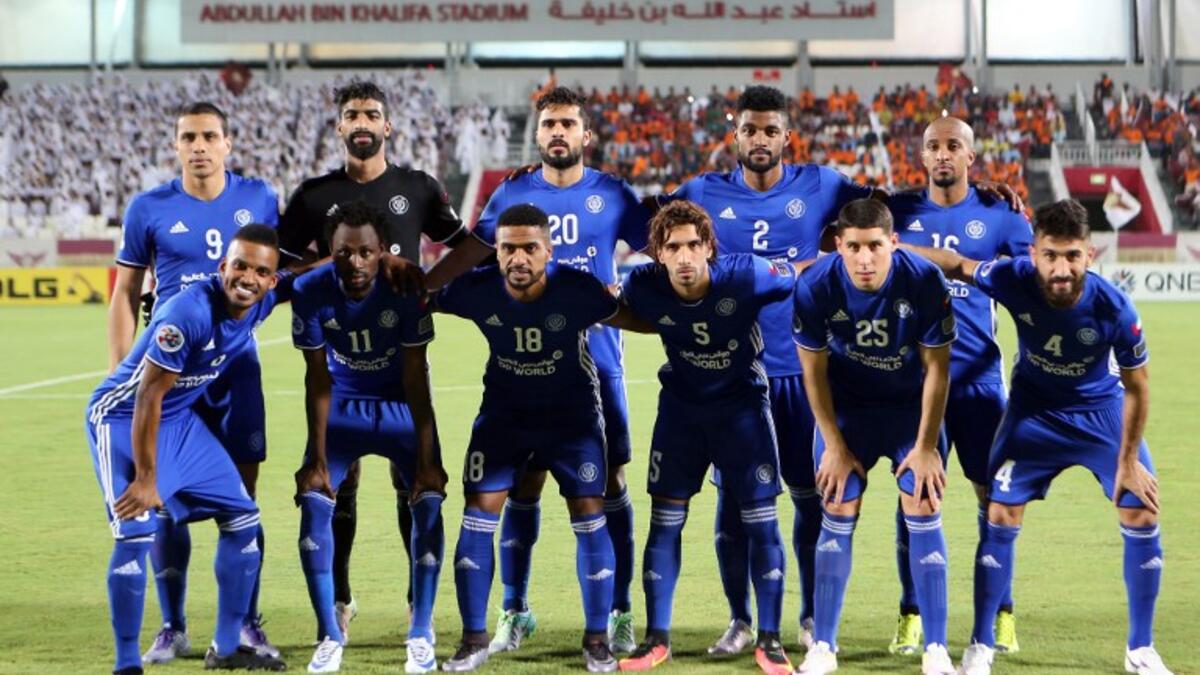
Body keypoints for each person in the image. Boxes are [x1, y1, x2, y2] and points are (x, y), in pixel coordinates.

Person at [904, 199, 1174, 675]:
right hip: (1034, 414)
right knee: (1001, 511)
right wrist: (894, 248)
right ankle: (980, 646)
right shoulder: (1012, 279)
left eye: (1072, 256)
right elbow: (959, 265)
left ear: (1090, 255)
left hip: (1101, 413)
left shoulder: (1115, 308)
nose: (1061, 268)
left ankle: (1141, 649)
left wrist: (1129, 460)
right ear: (1034, 254)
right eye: (1051, 255)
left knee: (1141, 507)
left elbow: (1138, 386)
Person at [427, 86, 651, 655]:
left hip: (599, 366)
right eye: (549, 123)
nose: (557, 132)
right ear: (538, 132)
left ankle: (620, 609)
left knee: (610, 486)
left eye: (567, 123)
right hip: (524, 368)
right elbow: (476, 252)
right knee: (521, 484)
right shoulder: (512, 192)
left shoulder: (613, 194)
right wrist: (420, 284)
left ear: (585, 134)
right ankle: (514, 610)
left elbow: (665, 249)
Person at [662, 85, 872, 654]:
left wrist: (985, 198)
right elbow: (643, 224)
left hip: (805, 374)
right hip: (735, 378)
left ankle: (805, 618)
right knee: (734, 503)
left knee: (810, 497)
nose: (760, 140)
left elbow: (896, 209)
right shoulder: (703, 192)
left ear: (786, 136)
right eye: (750, 130)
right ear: (736, 135)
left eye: (770, 130)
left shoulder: (822, 184)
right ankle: (740, 620)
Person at [277, 80, 467, 641]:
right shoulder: (313, 197)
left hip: (404, 357)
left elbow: (467, 246)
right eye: (352, 114)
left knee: (411, 479)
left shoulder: (419, 189)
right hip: (340, 365)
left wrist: (427, 285)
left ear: (389, 127)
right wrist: (322, 270)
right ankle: (339, 598)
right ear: (339, 127)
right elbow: (282, 276)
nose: (362, 122)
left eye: (372, 114)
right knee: (342, 481)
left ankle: (417, 601)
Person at [107, 102, 281, 663]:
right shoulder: (149, 208)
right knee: (163, 498)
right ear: (176, 145)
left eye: (210, 136)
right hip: (171, 374)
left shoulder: (259, 199)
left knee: (243, 499)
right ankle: (172, 624)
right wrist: (121, 370)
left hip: (237, 371)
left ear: (228, 143)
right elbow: (125, 294)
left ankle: (246, 622)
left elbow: (276, 274)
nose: (199, 146)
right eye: (189, 137)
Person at [86, 225, 290, 674]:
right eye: (240, 266)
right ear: (223, 267)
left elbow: (307, 276)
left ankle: (227, 646)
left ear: (272, 280)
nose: (248, 278)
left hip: (179, 422)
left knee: (243, 519)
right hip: (121, 419)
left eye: (260, 271)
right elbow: (147, 397)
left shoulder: (262, 302)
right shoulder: (187, 313)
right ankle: (126, 664)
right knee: (135, 531)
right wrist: (146, 477)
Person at [615, 201, 795, 675]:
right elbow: (622, 308)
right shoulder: (642, 285)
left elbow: (800, 275)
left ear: (710, 247)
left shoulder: (748, 275)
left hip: (743, 410)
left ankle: (771, 639)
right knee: (665, 522)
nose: (686, 256)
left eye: (695, 244)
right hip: (681, 414)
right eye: (673, 248)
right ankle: (656, 639)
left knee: (761, 523)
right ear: (657, 254)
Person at [886, 116, 1033, 655]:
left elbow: (1031, 285)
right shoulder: (896, 212)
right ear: (921, 156)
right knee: (914, 497)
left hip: (978, 383)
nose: (943, 154)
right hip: (914, 384)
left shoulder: (1000, 214)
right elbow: (846, 227)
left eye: (953, 146)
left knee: (996, 499)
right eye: (933, 146)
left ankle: (1001, 614)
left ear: (972, 155)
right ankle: (912, 612)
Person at [791, 199, 957, 675]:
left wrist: (926, 448)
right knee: (837, 503)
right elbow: (813, 374)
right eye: (855, 247)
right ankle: (823, 646)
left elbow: (937, 371)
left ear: (894, 244)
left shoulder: (924, 280)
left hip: (910, 413)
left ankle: (937, 649)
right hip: (849, 413)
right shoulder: (816, 284)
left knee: (923, 503)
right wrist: (836, 446)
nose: (865, 259)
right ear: (838, 245)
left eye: (876, 247)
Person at [291, 201, 447, 674]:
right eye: (343, 253)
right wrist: (316, 458)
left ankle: (420, 629)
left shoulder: (404, 289)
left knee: (428, 499)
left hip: (400, 406)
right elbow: (316, 379)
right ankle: (330, 634)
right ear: (329, 253)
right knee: (315, 502)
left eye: (365, 253)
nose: (354, 263)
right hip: (342, 408)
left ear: (383, 253)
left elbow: (417, 377)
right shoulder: (308, 290)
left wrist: (426, 456)